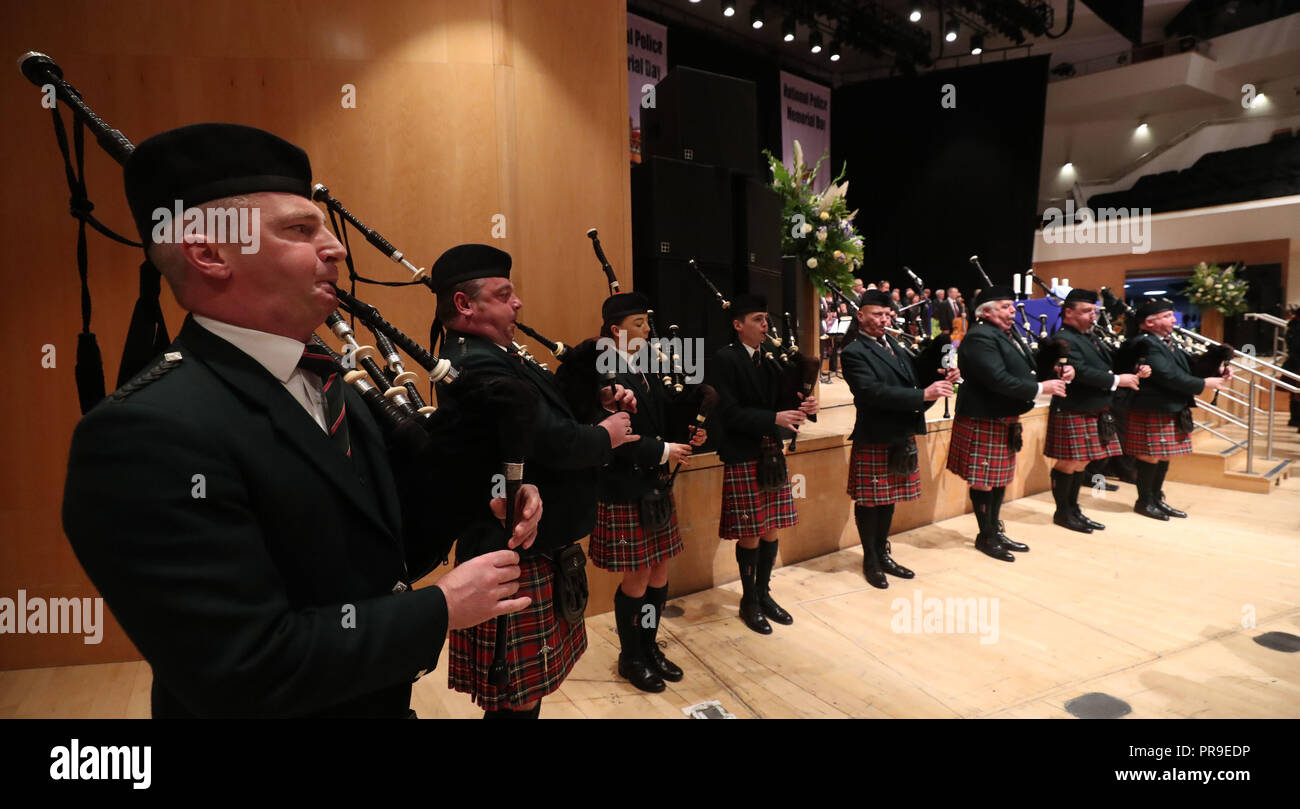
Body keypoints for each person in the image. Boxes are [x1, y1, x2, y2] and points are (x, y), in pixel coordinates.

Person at [61, 123, 542, 718]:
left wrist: (484, 490)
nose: (336, 247)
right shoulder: (141, 435)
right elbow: (241, 667)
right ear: (209, 252)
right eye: (298, 229)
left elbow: (382, 552)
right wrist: (439, 607)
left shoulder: (328, 381)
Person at [431, 243, 639, 718]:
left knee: (526, 697)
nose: (518, 303)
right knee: (514, 703)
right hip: (513, 546)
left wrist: (597, 397)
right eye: (504, 294)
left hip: (535, 544)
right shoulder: (474, 362)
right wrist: (606, 436)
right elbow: (554, 442)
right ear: (465, 305)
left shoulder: (501, 354)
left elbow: (552, 411)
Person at [589, 292, 706, 693]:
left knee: (659, 573)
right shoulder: (603, 373)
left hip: (653, 486)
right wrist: (663, 450)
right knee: (636, 578)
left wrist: (687, 434)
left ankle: (650, 645)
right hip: (624, 486)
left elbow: (661, 417)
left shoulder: (643, 368)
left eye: (647, 323)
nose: (647, 330)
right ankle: (631, 656)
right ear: (615, 331)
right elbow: (614, 433)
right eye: (639, 324)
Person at [712, 294, 818, 633]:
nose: (765, 325)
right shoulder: (724, 360)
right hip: (743, 453)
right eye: (758, 319)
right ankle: (749, 600)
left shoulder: (770, 359)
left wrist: (805, 408)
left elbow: (785, 403)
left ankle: (764, 592)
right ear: (738, 324)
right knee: (751, 533)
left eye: (766, 319)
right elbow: (727, 413)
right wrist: (773, 415)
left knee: (771, 526)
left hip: (770, 453)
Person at [841, 290, 957, 587]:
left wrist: (941, 373)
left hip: (900, 431)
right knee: (870, 500)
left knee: (888, 497)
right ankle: (870, 558)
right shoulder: (854, 352)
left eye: (886, 315)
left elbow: (913, 374)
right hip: (876, 433)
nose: (883, 320)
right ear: (861, 316)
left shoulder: (893, 343)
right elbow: (871, 392)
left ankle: (883, 552)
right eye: (876, 314)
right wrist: (923, 394)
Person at [947, 286, 1071, 562]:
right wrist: (1041, 388)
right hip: (984, 416)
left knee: (998, 477)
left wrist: (1052, 366)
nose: (1012, 310)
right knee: (984, 481)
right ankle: (986, 535)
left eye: (1011, 306)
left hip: (1001, 415)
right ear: (986, 311)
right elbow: (997, 379)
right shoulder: (980, 338)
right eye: (1005, 306)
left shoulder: (1006, 333)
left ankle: (994, 529)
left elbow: (1024, 369)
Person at [1044, 289, 1148, 533]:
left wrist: (1135, 365)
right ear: (1068, 312)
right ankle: (1063, 512)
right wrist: (1116, 380)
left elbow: (1108, 362)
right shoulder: (1063, 339)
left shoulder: (1090, 337)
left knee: (1081, 463)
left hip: (1093, 407)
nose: (1092, 316)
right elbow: (1080, 371)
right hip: (1073, 408)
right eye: (1086, 311)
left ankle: (1073, 509)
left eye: (1094, 311)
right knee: (1069, 463)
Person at [1122, 299, 1229, 520]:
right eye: (1168, 315)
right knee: (1150, 456)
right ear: (1150, 322)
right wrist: (1204, 384)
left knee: (1162, 455)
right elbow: (1168, 376)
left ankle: (1156, 498)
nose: (1174, 320)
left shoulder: (1166, 341)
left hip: (1169, 405)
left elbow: (1188, 366)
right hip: (1152, 406)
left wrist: (1217, 368)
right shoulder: (1145, 343)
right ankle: (1144, 502)